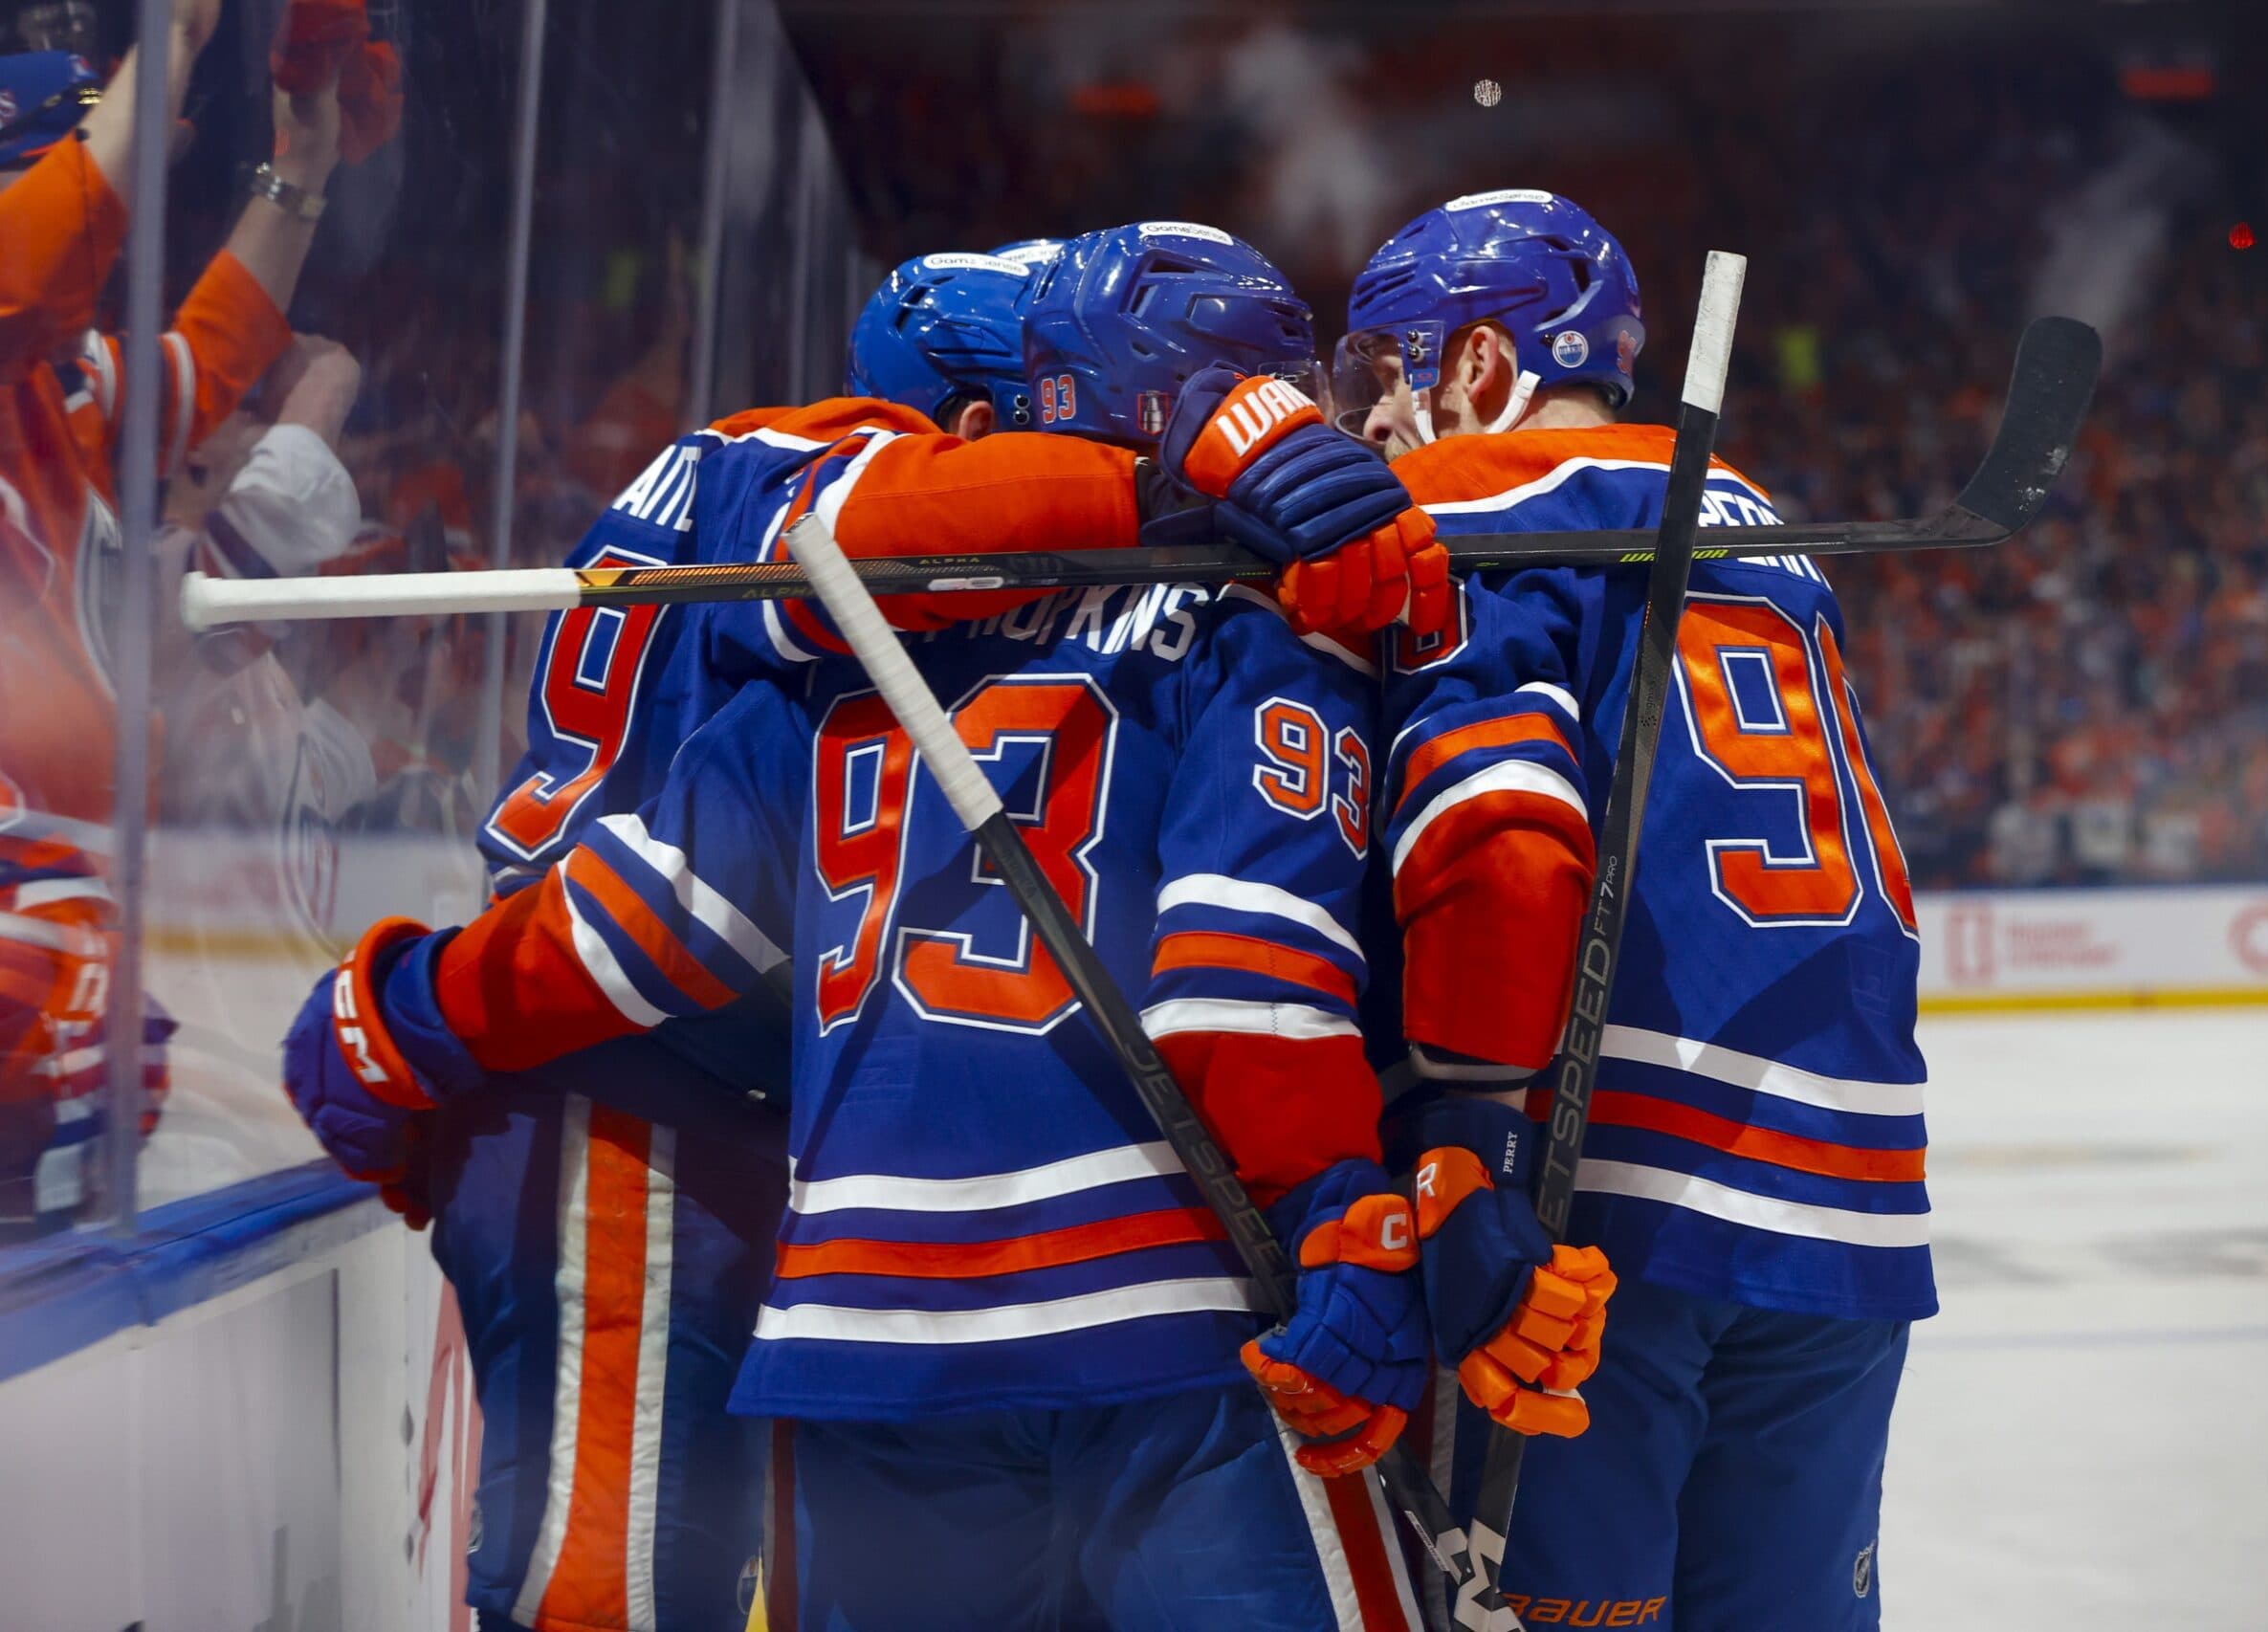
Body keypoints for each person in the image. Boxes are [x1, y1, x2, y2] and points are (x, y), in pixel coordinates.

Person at [285, 223, 1439, 1632]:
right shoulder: (860, 513)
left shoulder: (835, 634)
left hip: (829, 1273)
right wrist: (1346, 1215)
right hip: (1041, 1254)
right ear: (971, 419)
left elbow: (653, 916)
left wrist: (413, 1013)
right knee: (605, 1600)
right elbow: (1246, 984)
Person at [1322, 188, 1931, 1629]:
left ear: (1478, 364)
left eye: (1384, 373)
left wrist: (1462, 1134)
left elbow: (1503, 838)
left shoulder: (1478, 498)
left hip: (1620, 1183)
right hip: (1855, 1178)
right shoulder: (1763, 517)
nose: (1369, 421)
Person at [0, 0, 389, 1229]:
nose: (107, 246)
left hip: (69, 943)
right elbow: (42, 245)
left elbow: (215, 344)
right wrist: (171, 36)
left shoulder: (67, 383)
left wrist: (303, 152)